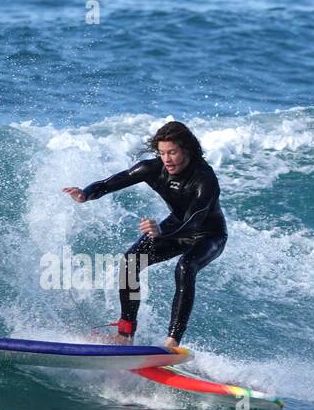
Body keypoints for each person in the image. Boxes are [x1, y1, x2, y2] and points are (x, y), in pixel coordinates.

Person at [63, 121, 225, 348]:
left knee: (186, 266)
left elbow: (195, 220)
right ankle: (125, 334)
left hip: (209, 234)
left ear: (186, 150)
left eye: (172, 152)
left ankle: (172, 341)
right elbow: (110, 183)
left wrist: (161, 232)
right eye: (162, 153)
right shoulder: (153, 169)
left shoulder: (204, 178)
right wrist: (85, 194)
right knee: (130, 263)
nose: (167, 159)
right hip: (174, 228)